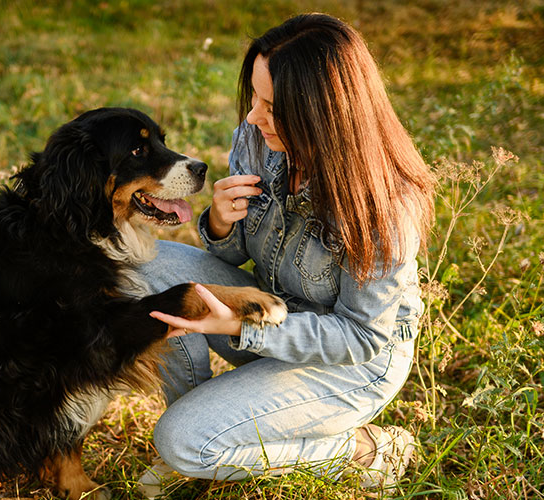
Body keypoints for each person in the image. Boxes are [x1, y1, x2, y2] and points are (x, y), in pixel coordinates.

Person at [135, 12, 435, 495]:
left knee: (180, 441)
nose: (253, 117)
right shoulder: (260, 139)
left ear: (323, 114)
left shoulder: (384, 205)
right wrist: (220, 223)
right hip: (273, 309)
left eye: (272, 107)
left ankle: (362, 451)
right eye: (255, 98)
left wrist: (242, 327)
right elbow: (236, 257)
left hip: (351, 363)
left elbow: (361, 337)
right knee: (147, 265)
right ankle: (210, 432)